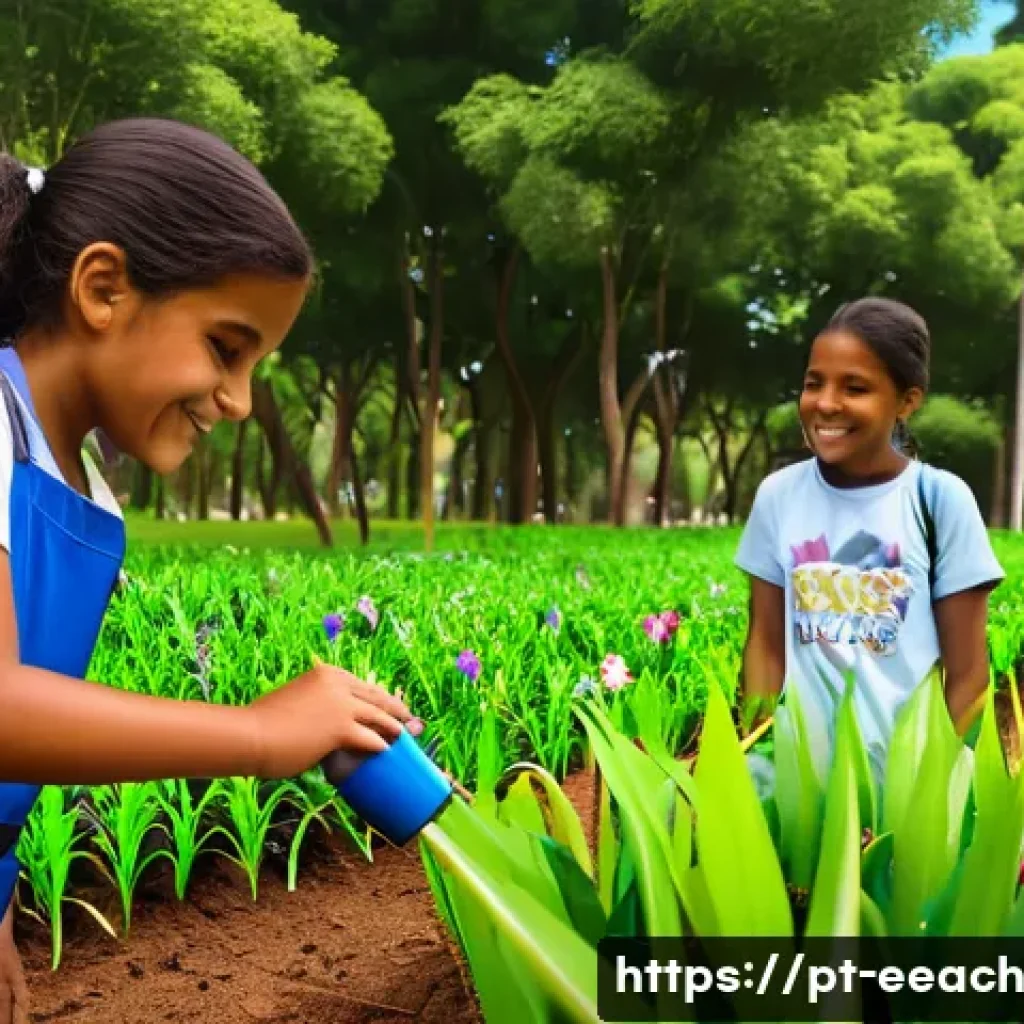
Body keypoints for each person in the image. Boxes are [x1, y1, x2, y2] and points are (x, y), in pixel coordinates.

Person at [0, 118, 421, 1024]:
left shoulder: (86, 492)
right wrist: (258, 735)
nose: (238, 400)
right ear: (103, 288)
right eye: (228, 348)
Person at [735, 297, 1004, 785]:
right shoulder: (779, 496)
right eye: (814, 383)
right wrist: (759, 757)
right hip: (799, 787)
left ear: (907, 401)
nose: (826, 403)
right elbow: (766, 645)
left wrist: (928, 794)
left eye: (855, 387)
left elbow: (968, 677)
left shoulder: (939, 501)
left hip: (903, 786)